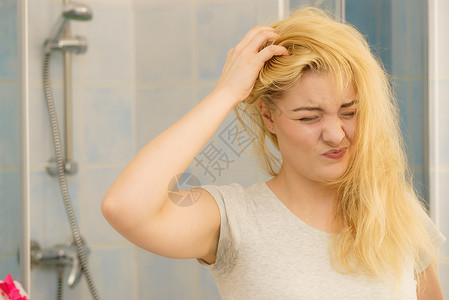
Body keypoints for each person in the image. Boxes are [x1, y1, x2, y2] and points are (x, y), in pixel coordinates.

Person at [101, 7, 447, 299]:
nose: (336, 134)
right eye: (309, 117)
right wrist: (226, 94)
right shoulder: (236, 221)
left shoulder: (396, 210)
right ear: (269, 117)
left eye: (349, 112)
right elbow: (125, 206)